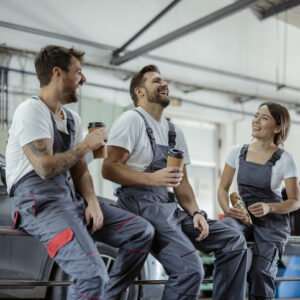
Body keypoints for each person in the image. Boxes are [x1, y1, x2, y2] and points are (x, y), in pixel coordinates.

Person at [5, 45, 155, 300]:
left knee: (141, 232)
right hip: (37, 202)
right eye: (79, 73)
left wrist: (93, 202)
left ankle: (108, 296)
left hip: (67, 197)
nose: (83, 79)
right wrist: (87, 145)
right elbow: (45, 167)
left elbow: (79, 168)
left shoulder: (72, 118)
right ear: (58, 74)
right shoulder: (31, 111)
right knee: (91, 275)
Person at [102, 64, 248, 300]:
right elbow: (109, 168)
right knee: (189, 270)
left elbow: (182, 184)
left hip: (168, 207)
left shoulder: (173, 131)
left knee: (233, 241)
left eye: (164, 80)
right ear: (139, 91)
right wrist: (151, 178)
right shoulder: (131, 120)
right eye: (156, 81)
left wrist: (196, 212)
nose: (164, 84)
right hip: (139, 206)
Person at [218, 102, 300, 300]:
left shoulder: (285, 160)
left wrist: (269, 206)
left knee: (261, 272)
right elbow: (223, 189)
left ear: (277, 127)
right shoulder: (237, 151)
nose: (256, 121)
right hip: (241, 215)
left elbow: (295, 201)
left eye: (264, 117)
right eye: (256, 115)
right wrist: (228, 211)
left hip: (272, 221)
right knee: (225, 237)